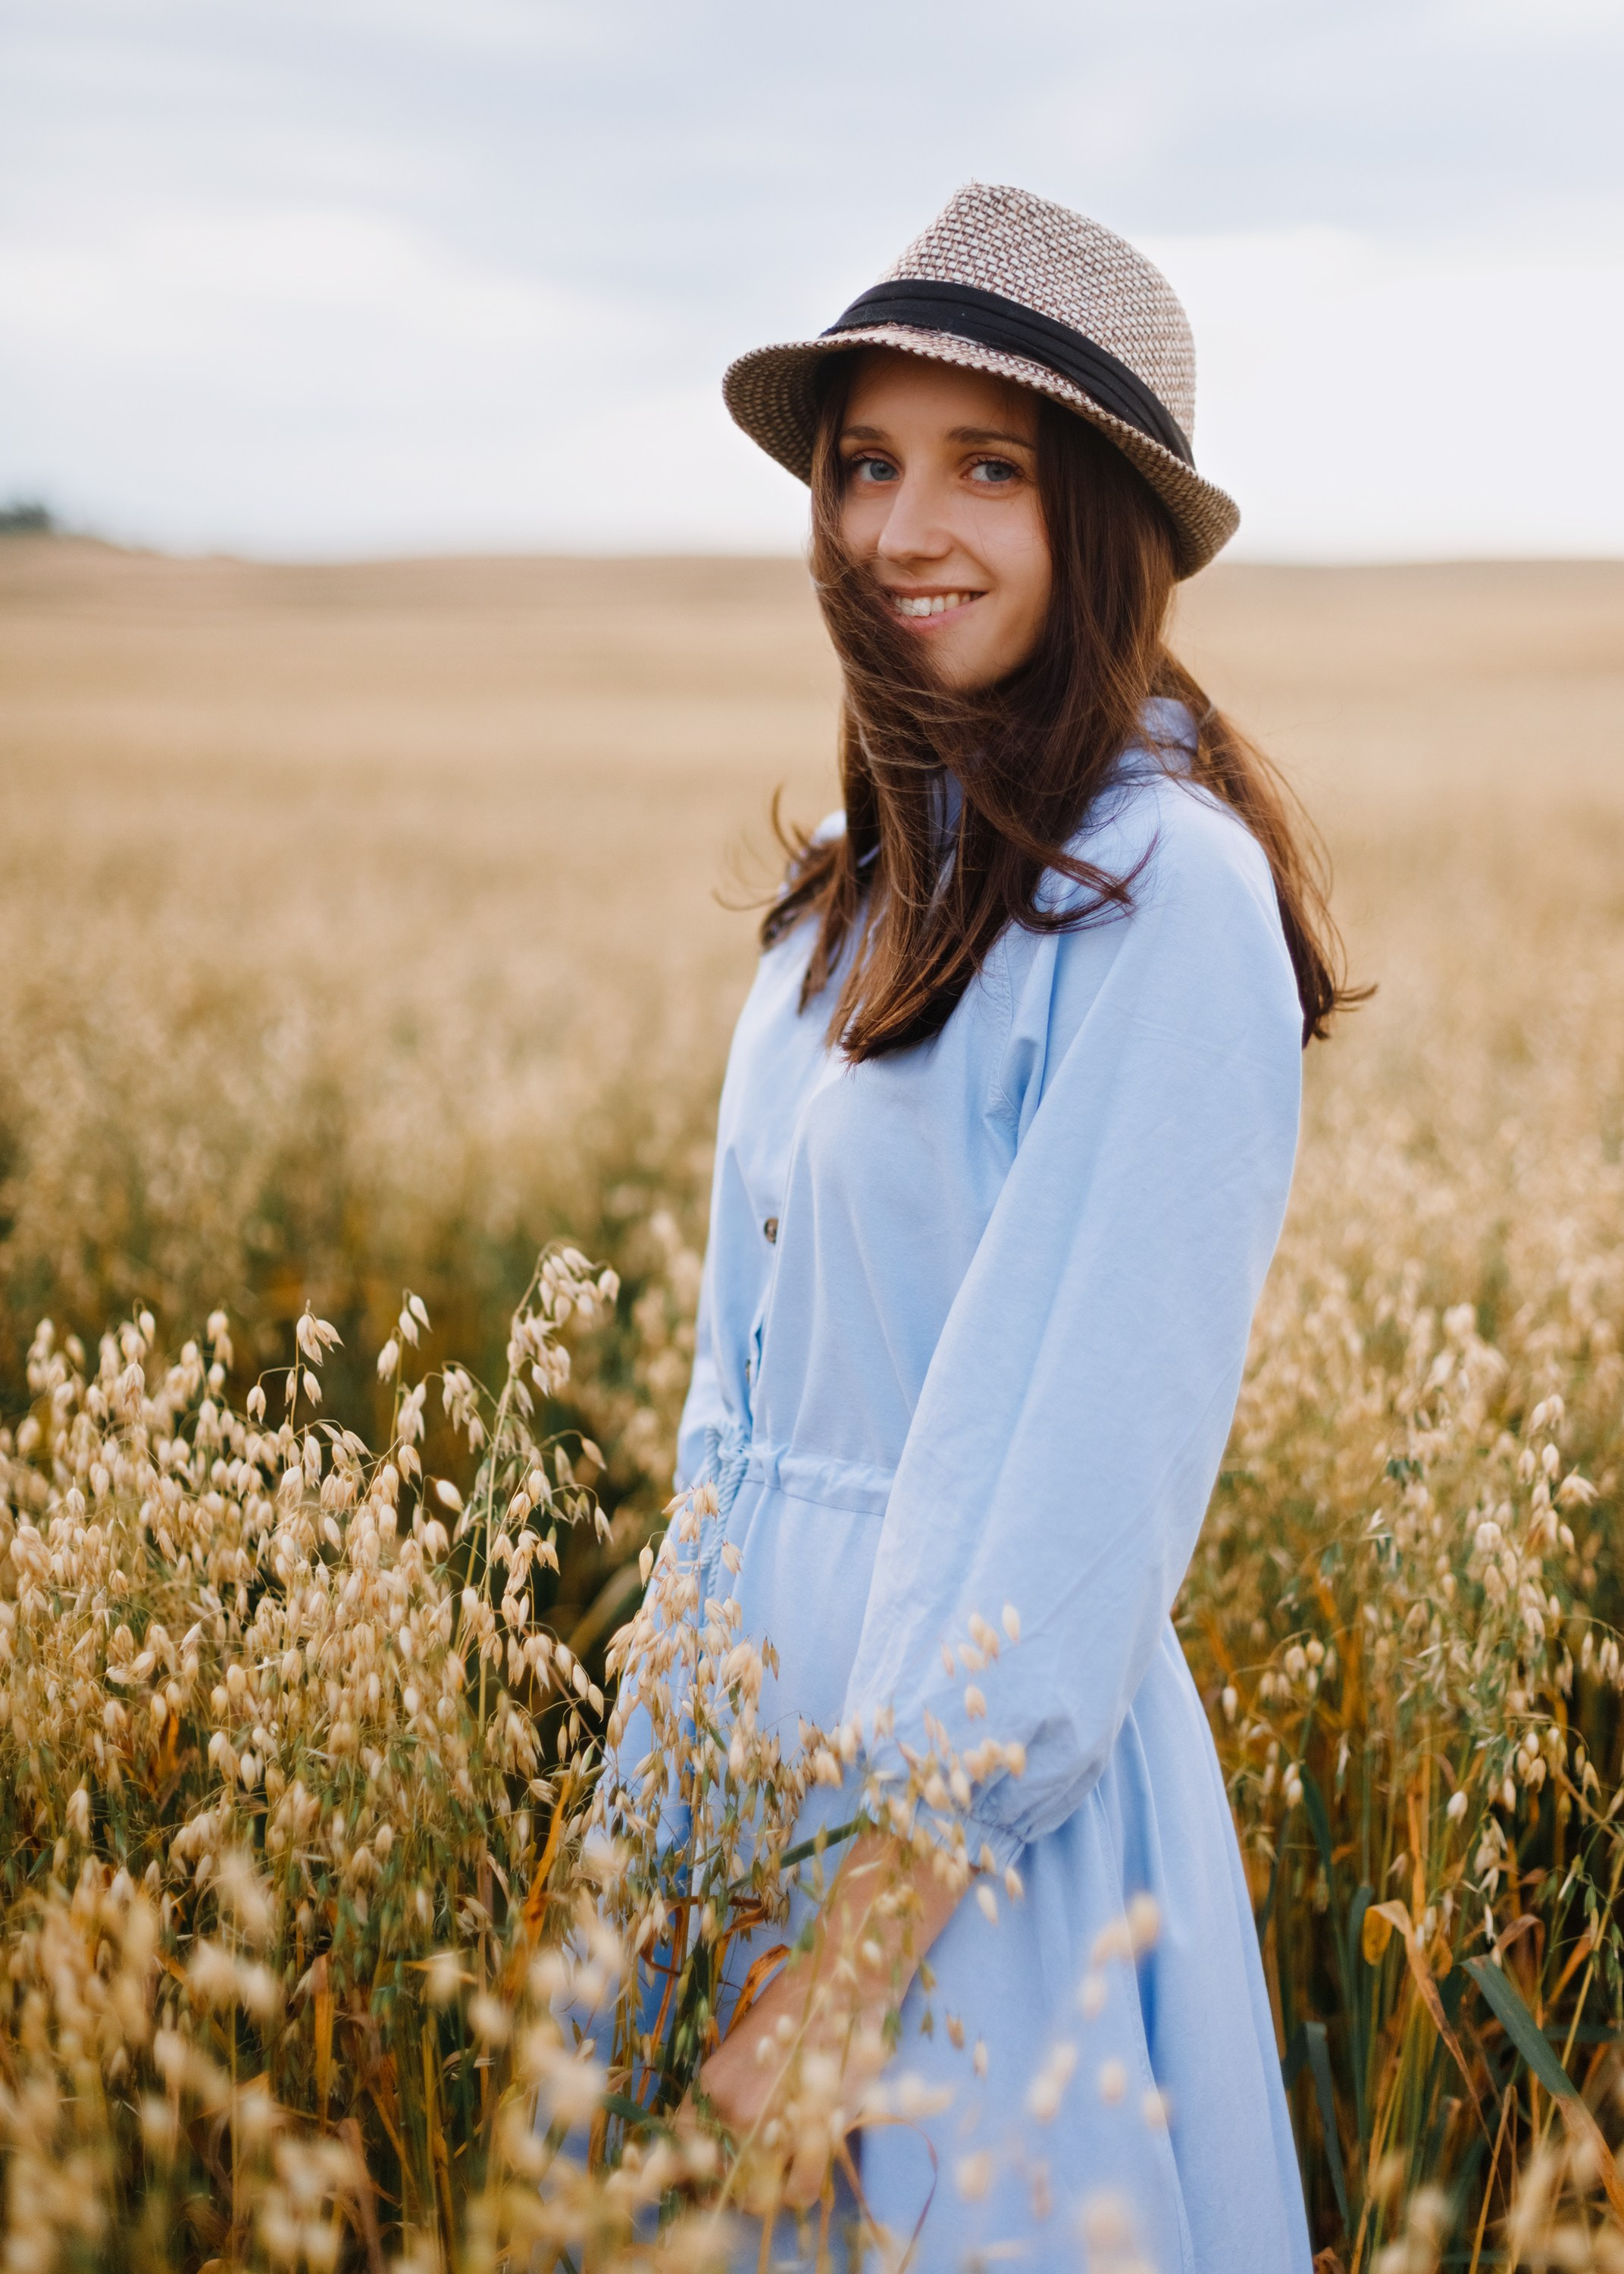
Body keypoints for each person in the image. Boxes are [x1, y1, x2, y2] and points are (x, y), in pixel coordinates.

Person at [662, 183, 1347, 2269]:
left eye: (988, 468)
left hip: (975, 1850)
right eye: (866, 463)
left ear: (1105, 524)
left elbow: (1081, 1477)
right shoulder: (848, 900)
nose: (900, 530)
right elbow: (732, 1397)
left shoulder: (1163, 900)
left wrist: (855, 1964)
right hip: (743, 1772)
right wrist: (670, 1812)